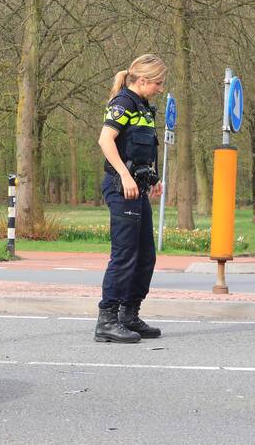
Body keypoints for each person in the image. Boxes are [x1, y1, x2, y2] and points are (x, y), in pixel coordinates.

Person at [94, 54, 167, 343]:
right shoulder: (123, 103)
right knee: (125, 255)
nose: (160, 88)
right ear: (143, 80)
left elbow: (142, 149)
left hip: (137, 188)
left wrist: (153, 178)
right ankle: (107, 319)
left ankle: (129, 314)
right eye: (158, 83)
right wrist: (124, 176)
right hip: (120, 186)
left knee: (146, 256)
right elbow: (105, 140)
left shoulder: (144, 108)